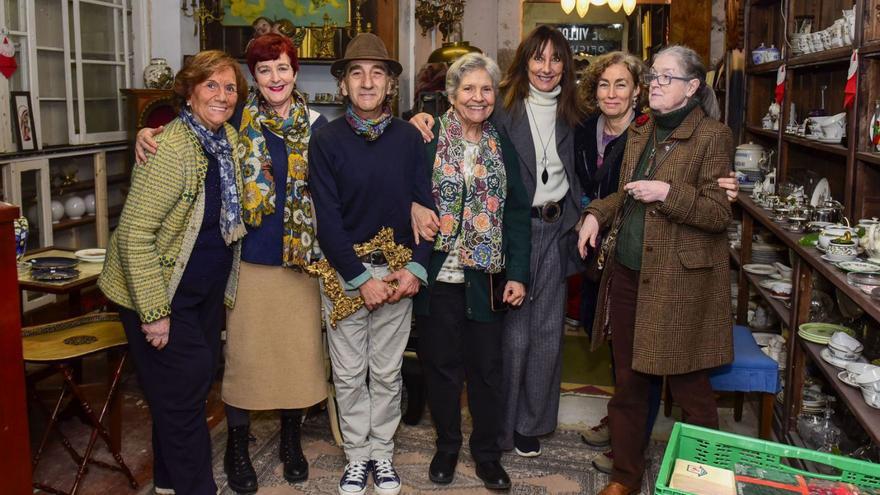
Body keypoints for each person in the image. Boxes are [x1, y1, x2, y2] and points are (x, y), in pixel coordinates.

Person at [134, 33, 328, 494]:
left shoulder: (320, 126)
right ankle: (237, 447)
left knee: (296, 357)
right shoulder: (234, 120)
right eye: (264, 70)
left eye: (282, 67)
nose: (275, 77)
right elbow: (185, 129)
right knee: (243, 360)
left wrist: (423, 123)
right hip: (246, 259)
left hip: (299, 259)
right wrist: (148, 132)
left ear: (295, 72)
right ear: (253, 80)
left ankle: (290, 441)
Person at [410, 25, 586, 458]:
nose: (546, 68)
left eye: (556, 59)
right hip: (493, 240)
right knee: (506, 342)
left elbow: (588, 163)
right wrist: (419, 116)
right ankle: (490, 431)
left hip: (554, 227)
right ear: (523, 63)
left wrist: (590, 214)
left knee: (546, 336)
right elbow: (417, 164)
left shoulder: (575, 112)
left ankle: (530, 424)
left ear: (566, 65)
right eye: (538, 58)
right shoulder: (503, 109)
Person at [573, 51, 740, 475]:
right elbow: (628, 192)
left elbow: (719, 213)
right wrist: (595, 213)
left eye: (668, 77)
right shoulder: (641, 129)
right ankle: (626, 476)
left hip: (678, 283)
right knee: (628, 384)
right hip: (628, 276)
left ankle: (707, 478)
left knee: (690, 390)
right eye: (654, 76)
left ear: (693, 87)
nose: (657, 84)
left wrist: (667, 193)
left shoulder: (712, 136)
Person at [98, 49, 248, 494]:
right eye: (211, 85)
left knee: (183, 389)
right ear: (189, 90)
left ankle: (166, 483)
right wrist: (154, 313)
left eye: (230, 88)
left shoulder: (227, 143)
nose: (222, 96)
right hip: (160, 292)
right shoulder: (170, 149)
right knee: (184, 395)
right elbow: (134, 236)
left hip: (200, 291)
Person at [308, 33, 432, 495]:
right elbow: (328, 220)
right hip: (345, 275)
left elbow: (426, 207)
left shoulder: (408, 138)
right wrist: (360, 280)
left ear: (389, 85)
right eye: (356, 73)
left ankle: (382, 454)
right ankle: (356, 457)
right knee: (347, 373)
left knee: (385, 372)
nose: (366, 81)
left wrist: (417, 269)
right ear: (343, 86)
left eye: (377, 72)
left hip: (397, 274)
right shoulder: (325, 141)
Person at [412, 53, 531, 491]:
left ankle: (486, 454)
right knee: (440, 368)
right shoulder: (425, 137)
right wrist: (412, 204)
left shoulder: (502, 145)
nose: (478, 97)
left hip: (486, 280)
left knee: (486, 370)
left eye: (486, 89)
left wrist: (518, 273)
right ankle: (446, 448)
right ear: (451, 95)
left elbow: (518, 214)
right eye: (468, 89)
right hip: (436, 278)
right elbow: (402, 188)